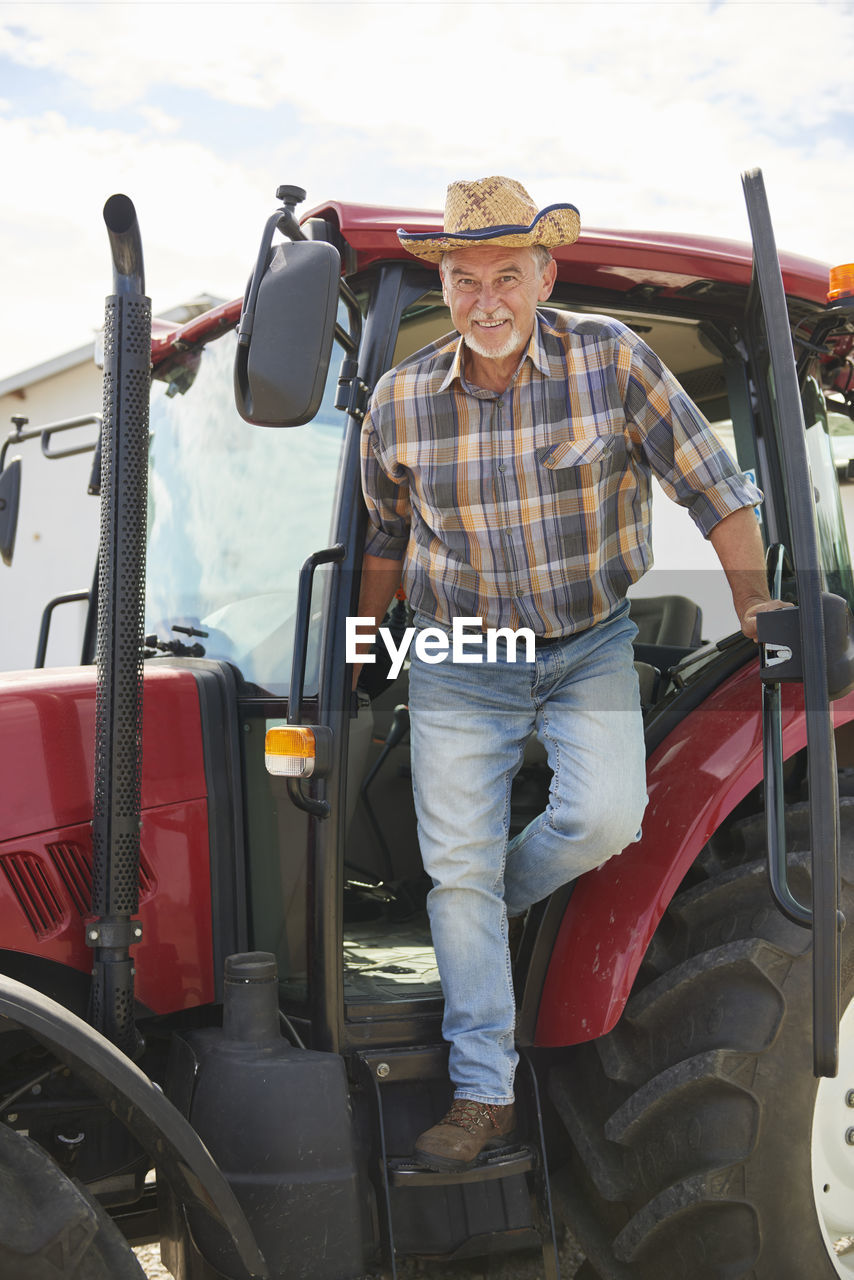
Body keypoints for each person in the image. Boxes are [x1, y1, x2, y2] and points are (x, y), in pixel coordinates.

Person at [355, 175, 786, 1172]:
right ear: (446, 287)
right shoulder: (401, 400)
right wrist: (357, 648)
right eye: (464, 280)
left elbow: (714, 491)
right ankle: (480, 1093)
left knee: (601, 819)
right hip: (461, 650)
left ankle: (478, 909)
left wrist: (754, 606)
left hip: (586, 639)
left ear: (544, 273)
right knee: (451, 867)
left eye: (506, 274)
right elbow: (383, 539)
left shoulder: (610, 360)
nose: (486, 299)